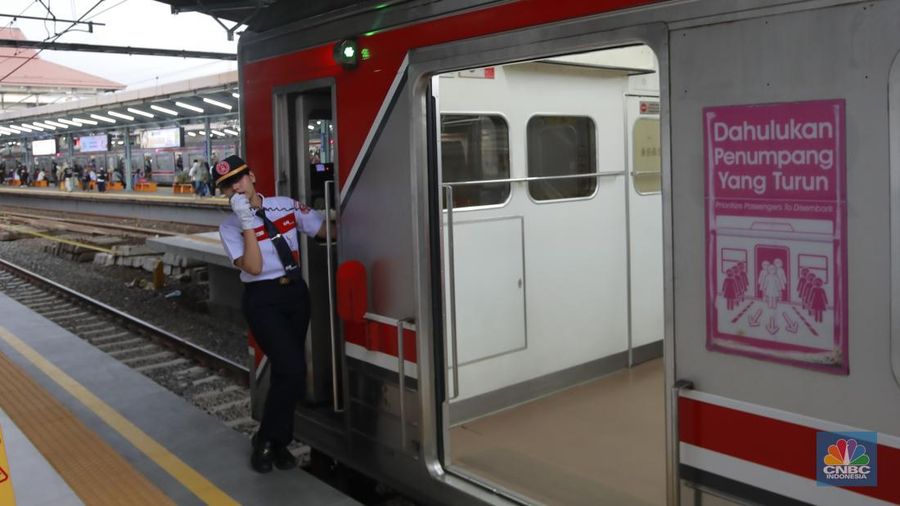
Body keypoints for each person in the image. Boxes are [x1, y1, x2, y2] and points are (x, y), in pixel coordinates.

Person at [215, 155, 327, 473]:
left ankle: (277, 444)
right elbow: (254, 266)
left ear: (252, 176)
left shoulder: (285, 205)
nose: (234, 187)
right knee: (292, 369)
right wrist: (248, 222)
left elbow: (322, 230)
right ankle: (266, 439)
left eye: (238, 178)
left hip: (295, 293)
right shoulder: (229, 227)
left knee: (285, 373)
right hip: (262, 299)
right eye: (226, 185)